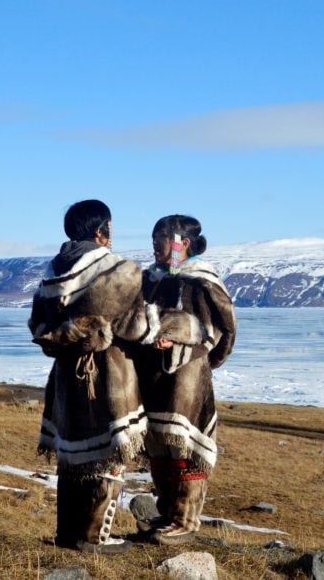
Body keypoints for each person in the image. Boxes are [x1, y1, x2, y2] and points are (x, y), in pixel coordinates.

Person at [29, 199, 160, 553]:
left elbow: (40, 327)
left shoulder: (52, 273)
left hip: (65, 373)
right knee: (108, 450)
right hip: (109, 372)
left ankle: (68, 532)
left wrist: (73, 333)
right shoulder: (121, 271)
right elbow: (136, 326)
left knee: (71, 450)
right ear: (102, 231)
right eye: (110, 228)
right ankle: (94, 536)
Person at [136, 214, 237, 544]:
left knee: (185, 447)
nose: (156, 243)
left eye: (162, 237)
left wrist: (187, 346)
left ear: (183, 243)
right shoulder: (150, 279)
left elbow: (218, 330)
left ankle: (186, 520)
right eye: (154, 237)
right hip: (152, 377)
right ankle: (167, 514)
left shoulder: (202, 281)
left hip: (187, 380)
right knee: (159, 446)